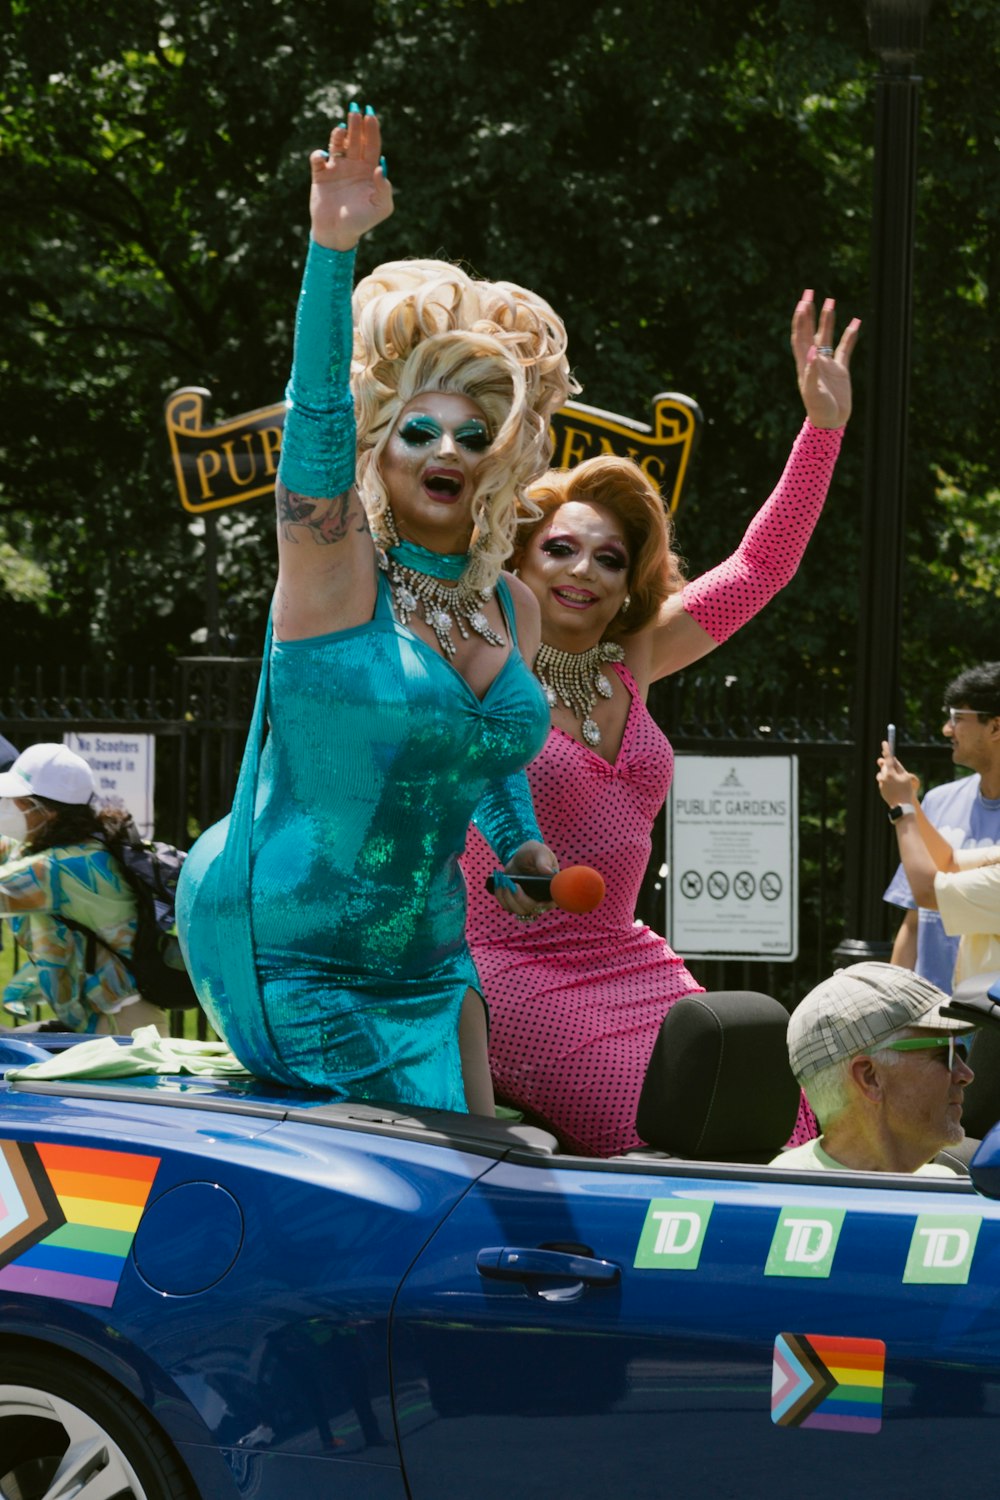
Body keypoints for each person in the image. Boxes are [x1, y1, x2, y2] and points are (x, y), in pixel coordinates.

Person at [177, 106, 572, 1114]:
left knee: (478, 1181)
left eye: (471, 432)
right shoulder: (334, 575)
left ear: (500, 455)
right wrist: (331, 248)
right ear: (378, 444)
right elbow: (312, 425)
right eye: (418, 430)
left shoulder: (509, 609)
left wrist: (522, 849)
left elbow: (478, 759)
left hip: (434, 950)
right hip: (294, 944)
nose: (446, 449)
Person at [463, 292, 859, 1156]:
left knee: (773, 1120)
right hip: (511, 972)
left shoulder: (631, 659)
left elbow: (763, 565)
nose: (585, 570)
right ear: (519, 557)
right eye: (560, 548)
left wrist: (820, 429)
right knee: (668, 1137)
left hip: (630, 959)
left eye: (610, 557)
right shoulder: (479, 657)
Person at [0, 743, 167, 1035]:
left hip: (122, 1030)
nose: (6, 808)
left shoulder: (65, 868)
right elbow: (10, 851)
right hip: (99, 1019)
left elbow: (19, 877)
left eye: (17, 802)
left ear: (47, 812)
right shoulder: (81, 846)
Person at [771, 962, 974, 1175]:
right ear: (870, 1077)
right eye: (946, 1054)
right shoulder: (788, 1192)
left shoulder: (945, 1181)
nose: (966, 1075)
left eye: (960, 1050)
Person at [884, 663, 1000, 990]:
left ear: (995, 727)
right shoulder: (937, 801)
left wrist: (904, 808)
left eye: (958, 718)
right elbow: (915, 916)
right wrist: (895, 1005)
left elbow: (927, 890)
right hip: (931, 1019)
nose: (947, 729)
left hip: (986, 1025)